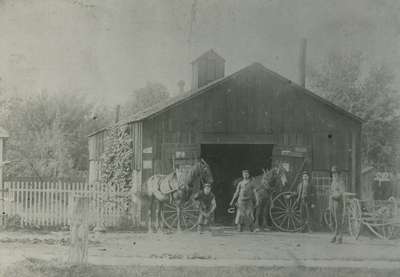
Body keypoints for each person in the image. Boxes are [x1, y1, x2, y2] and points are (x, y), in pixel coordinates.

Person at [329, 166, 346, 244]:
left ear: (338, 174)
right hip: (332, 202)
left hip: (338, 202)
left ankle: (340, 237)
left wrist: (334, 196)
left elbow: (341, 193)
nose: (334, 175)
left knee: (338, 220)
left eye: (336, 174)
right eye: (333, 174)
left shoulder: (341, 182)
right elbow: (331, 191)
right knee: (334, 220)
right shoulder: (333, 182)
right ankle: (335, 235)